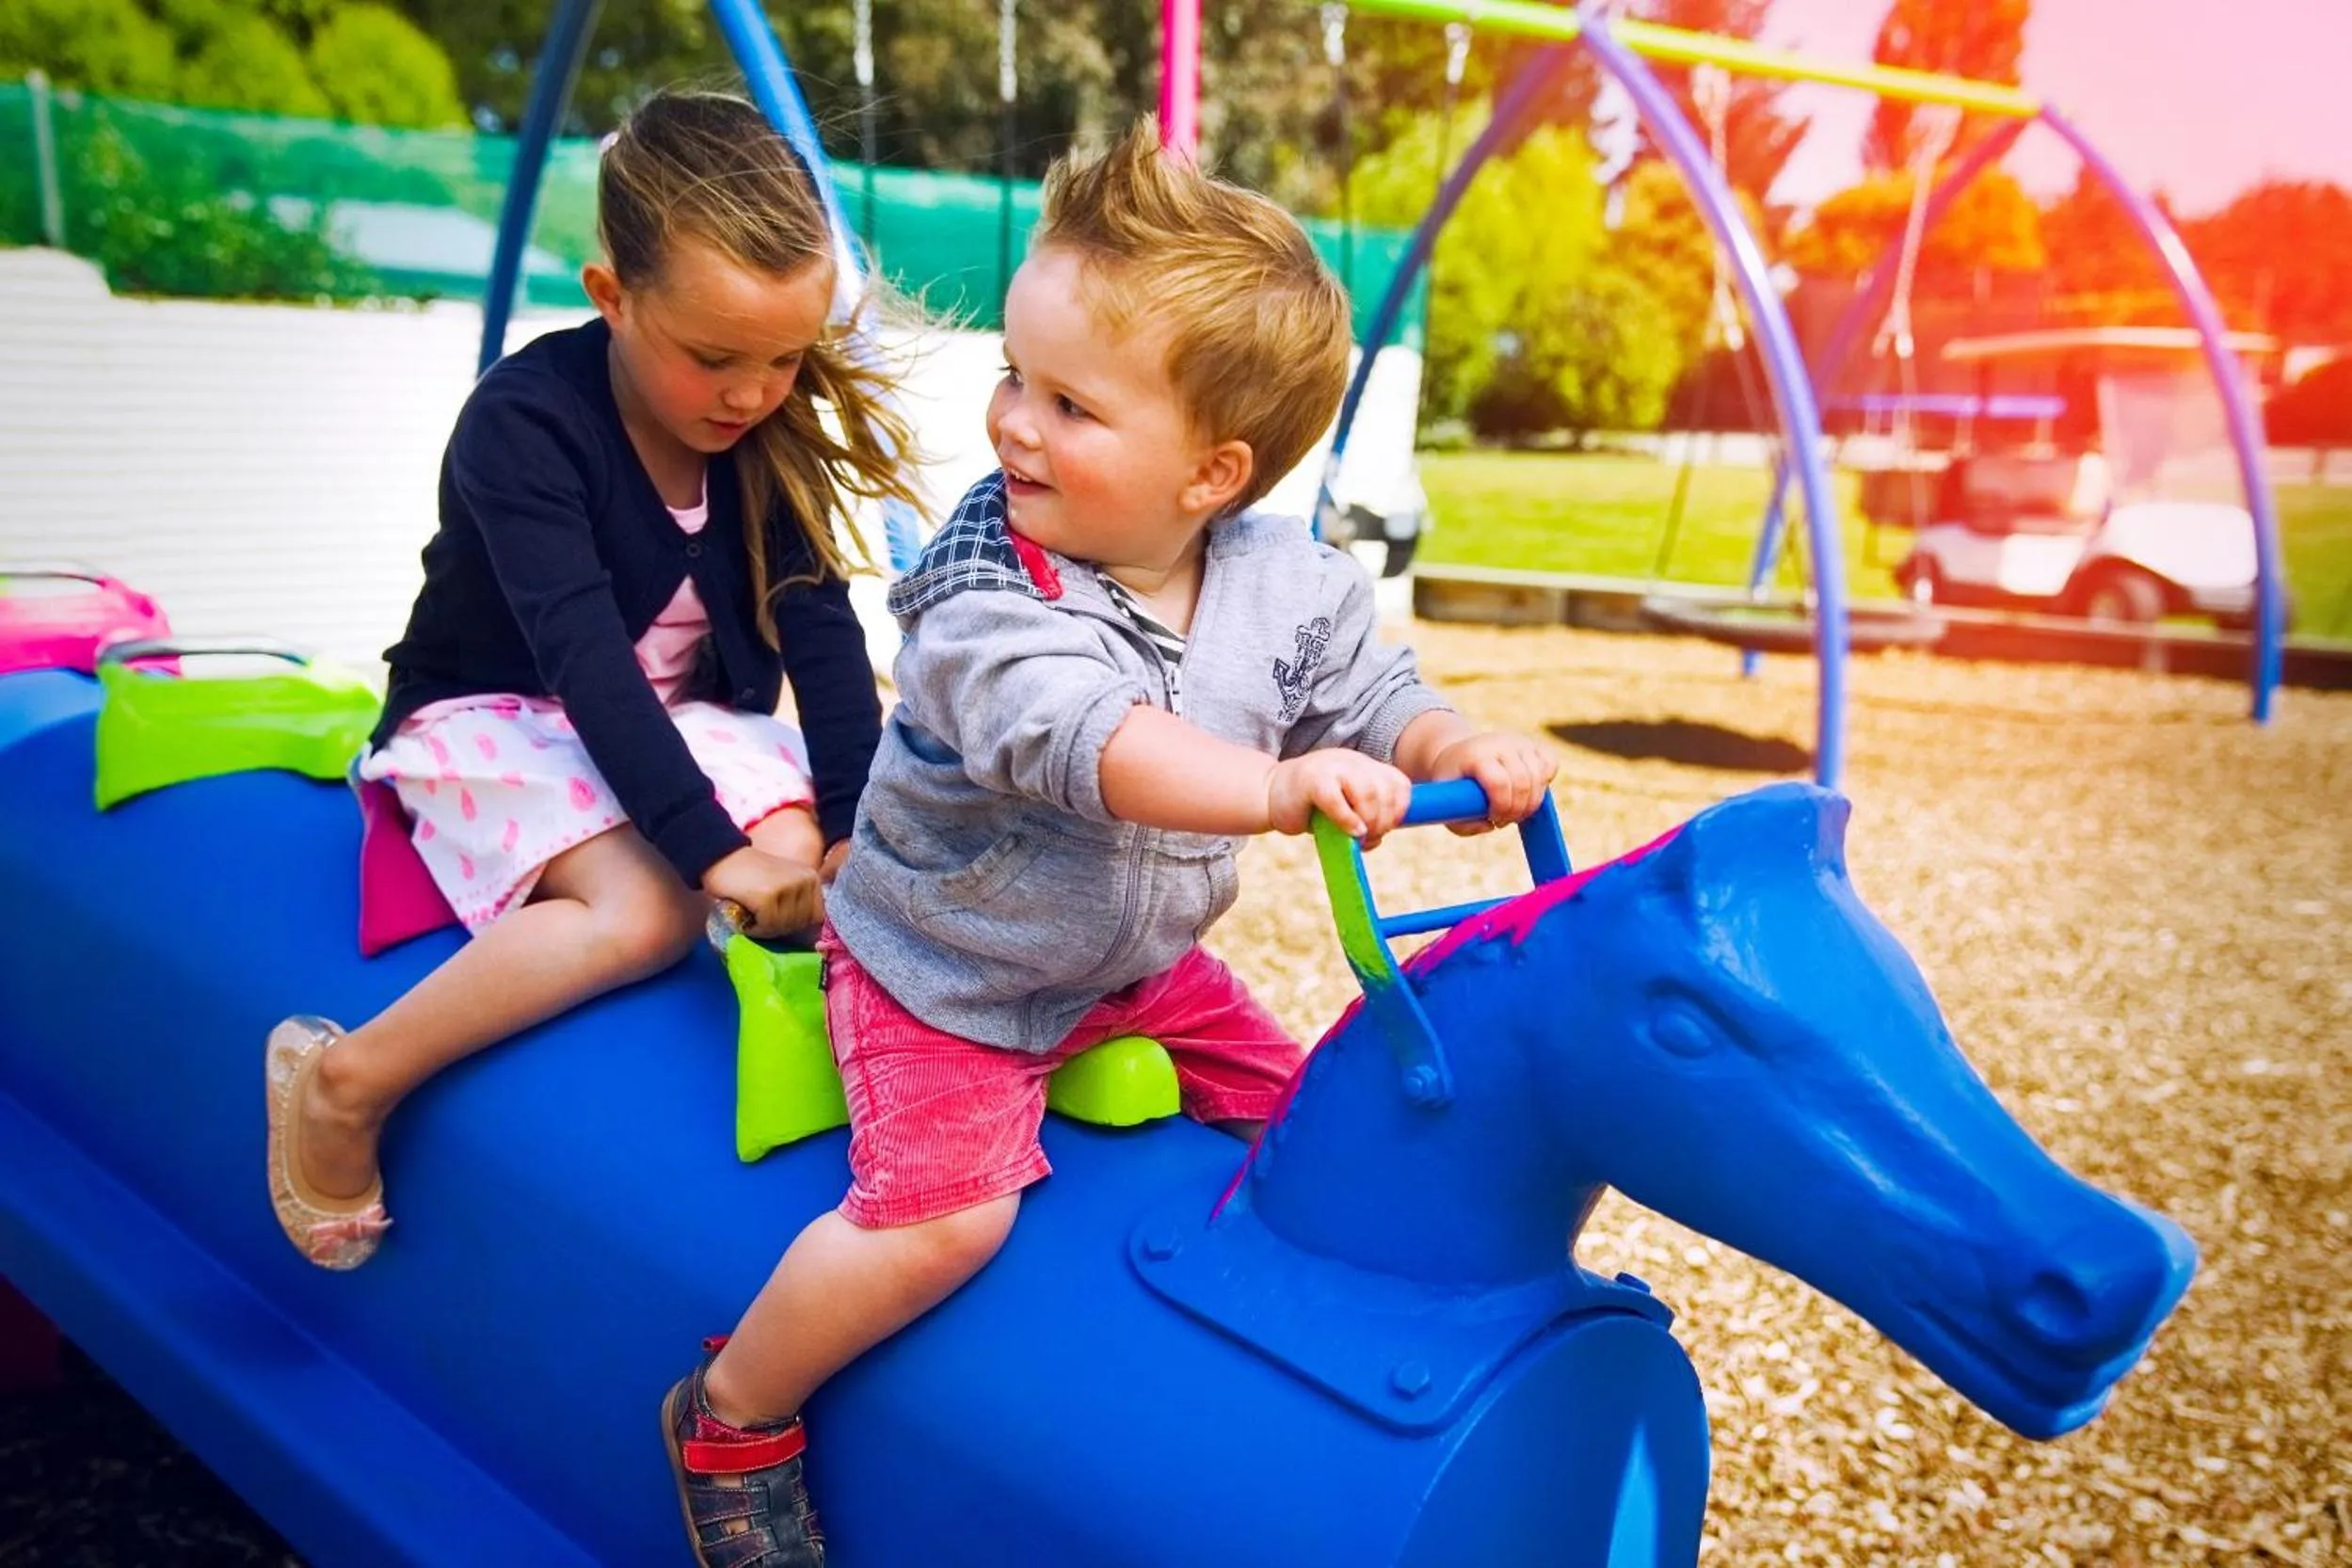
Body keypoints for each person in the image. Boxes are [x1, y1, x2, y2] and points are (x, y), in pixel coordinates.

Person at [661, 120, 1558, 1565]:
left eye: (1068, 403)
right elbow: (1089, 741)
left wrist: (1448, 748)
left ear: (1212, 473)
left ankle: (1298, 1399)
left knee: (1314, 1112)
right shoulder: (983, 594)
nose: (1012, 422)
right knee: (944, 1221)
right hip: (947, 972)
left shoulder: (1285, 582)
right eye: (1015, 375)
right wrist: (1273, 787)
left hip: (1133, 966)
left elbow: (1372, 694)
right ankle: (732, 1411)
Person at [264, 90, 920, 1271]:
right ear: (611, 296)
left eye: (784, 359)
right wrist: (708, 854)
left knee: (810, 858)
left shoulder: (764, 430)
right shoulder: (525, 423)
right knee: (647, 912)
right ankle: (350, 1078)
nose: (752, 393)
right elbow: (583, 661)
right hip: (502, 713)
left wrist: (847, 827)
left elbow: (822, 632)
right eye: (713, 358)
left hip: (681, 722)